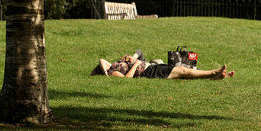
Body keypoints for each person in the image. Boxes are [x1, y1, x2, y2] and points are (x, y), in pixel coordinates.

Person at [92, 53, 234, 80]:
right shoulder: (112, 73)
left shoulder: (113, 66)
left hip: (150, 68)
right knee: (182, 71)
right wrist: (135, 64)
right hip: (148, 72)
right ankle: (213, 72)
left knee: (183, 73)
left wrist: (133, 58)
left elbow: (102, 60)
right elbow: (127, 79)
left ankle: (214, 76)